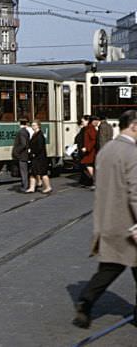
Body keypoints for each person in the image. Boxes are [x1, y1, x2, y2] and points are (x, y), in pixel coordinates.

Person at [72, 109, 137, 329]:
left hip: (109, 220)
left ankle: (86, 301)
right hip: (130, 224)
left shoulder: (107, 150)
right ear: (134, 126)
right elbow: (135, 192)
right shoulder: (132, 153)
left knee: (110, 268)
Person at [25, 120, 52, 194]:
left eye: (34, 125)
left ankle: (48, 187)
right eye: (32, 125)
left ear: (38, 126)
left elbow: (39, 147)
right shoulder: (35, 134)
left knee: (43, 173)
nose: (33, 127)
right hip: (36, 158)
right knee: (33, 173)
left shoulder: (40, 135)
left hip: (40, 158)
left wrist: (33, 153)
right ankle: (31, 188)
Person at [11, 118, 33, 192]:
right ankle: (25, 185)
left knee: (23, 172)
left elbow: (23, 144)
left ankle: (25, 186)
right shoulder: (26, 131)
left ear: (19, 123)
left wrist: (16, 151)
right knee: (24, 171)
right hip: (24, 154)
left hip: (22, 155)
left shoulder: (21, 132)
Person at [81, 115, 99, 188]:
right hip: (90, 150)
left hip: (90, 151)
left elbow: (93, 140)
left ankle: (96, 181)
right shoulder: (89, 128)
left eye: (83, 121)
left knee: (87, 164)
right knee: (88, 165)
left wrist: (87, 148)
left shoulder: (90, 129)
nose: (82, 123)